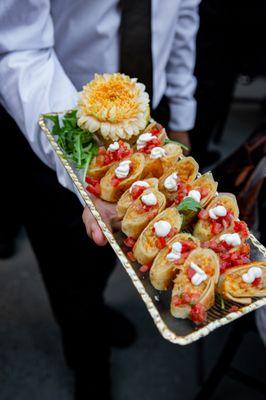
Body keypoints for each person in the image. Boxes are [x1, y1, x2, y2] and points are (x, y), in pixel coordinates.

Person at [0, 1, 200, 398]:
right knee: (66, 268)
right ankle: (86, 358)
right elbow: (17, 46)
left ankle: (94, 306)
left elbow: (183, 15)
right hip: (57, 115)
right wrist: (85, 164)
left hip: (148, 114)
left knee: (119, 248)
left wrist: (181, 115)